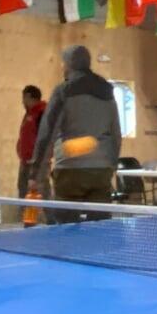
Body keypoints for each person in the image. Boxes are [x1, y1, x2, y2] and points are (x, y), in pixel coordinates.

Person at [29, 45, 122, 214]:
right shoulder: (107, 93)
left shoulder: (63, 91)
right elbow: (116, 133)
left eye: (64, 63)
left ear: (70, 64)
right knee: (100, 228)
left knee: (68, 227)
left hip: (70, 168)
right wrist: (111, 164)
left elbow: (47, 133)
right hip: (100, 171)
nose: (63, 68)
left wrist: (36, 172)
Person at [16, 84, 46, 199]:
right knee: (23, 191)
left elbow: (45, 139)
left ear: (29, 96)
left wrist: (37, 161)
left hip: (36, 164)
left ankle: (45, 216)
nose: (22, 102)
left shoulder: (41, 113)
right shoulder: (29, 114)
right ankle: (24, 216)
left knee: (38, 192)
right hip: (25, 162)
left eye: (23, 98)